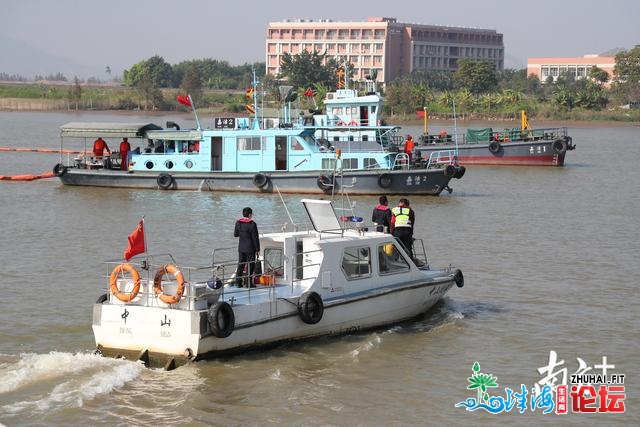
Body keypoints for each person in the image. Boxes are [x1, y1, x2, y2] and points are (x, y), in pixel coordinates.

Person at [234, 207, 260, 287]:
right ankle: (248, 283)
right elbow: (255, 238)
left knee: (241, 264)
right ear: (249, 214)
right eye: (251, 214)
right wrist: (258, 249)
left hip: (241, 248)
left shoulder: (238, 223)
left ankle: (238, 282)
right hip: (250, 248)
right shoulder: (252, 224)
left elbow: (235, 234)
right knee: (250, 265)